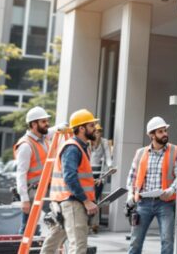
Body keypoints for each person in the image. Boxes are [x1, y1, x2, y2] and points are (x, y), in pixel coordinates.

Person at [40, 109, 100, 254]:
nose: (95, 129)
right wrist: (86, 201)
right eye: (91, 126)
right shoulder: (73, 148)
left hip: (67, 202)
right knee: (78, 246)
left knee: (53, 241)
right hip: (73, 203)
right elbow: (69, 178)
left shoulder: (79, 147)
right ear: (81, 128)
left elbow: (76, 176)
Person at [126, 117, 177, 254]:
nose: (165, 134)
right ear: (151, 135)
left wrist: (171, 189)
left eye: (165, 130)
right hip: (143, 203)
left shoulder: (175, 151)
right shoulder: (140, 153)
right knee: (135, 242)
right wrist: (130, 194)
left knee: (167, 241)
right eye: (160, 131)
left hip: (165, 203)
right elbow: (132, 177)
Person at [13, 106, 52, 232]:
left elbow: (53, 130)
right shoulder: (26, 145)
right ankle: (21, 250)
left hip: (46, 189)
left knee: (57, 219)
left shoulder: (44, 139)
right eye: (44, 122)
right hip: (33, 192)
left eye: (47, 121)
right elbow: (21, 174)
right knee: (28, 227)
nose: (47, 124)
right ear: (34, 124)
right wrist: (24, 200)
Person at [89, 123, 113, 233]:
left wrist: (110, 166)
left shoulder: (103, 142)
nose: (97, 133)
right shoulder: (88, 141)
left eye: (99, 131)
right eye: (95, 131)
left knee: (95, 198)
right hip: (88, 172)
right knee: (88, 198)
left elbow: (108, 157)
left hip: (99, 173)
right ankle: (88, 222)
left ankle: (94, 224)